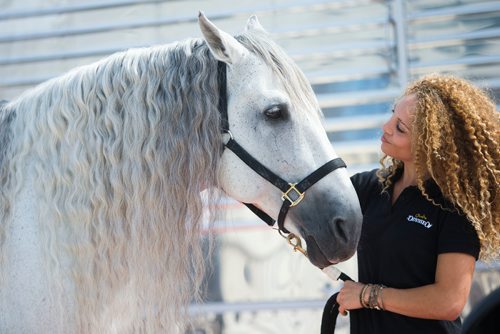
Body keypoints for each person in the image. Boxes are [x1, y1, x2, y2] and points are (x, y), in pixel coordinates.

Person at [335, 73, 499, 334]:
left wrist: (367, 295)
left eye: (400, 127)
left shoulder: (453, 210)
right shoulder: (370, 187)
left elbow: (449, 301)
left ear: (430, 145)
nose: (386, 127)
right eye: (392, 114)